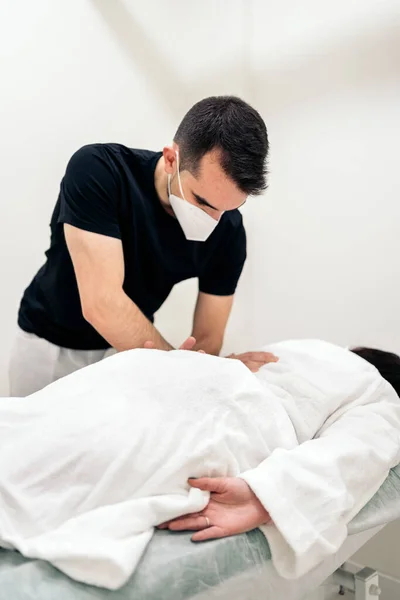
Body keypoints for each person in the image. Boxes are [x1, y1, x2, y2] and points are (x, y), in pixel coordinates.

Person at [1, 339, 399, 589]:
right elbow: (355, 456)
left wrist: (267, 495)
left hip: (167, 371)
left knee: (44, 423)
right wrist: (268, 496)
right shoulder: (380, 395)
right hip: (227, 411)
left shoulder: (311, 347)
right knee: (95, 459)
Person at [9, 96, 270, 397]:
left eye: (226, 209)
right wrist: (179, 368)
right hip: (49, 344)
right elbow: (102, 303)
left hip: (129, 353)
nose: (213, 219)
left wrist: (215, 371)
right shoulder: (99, 171)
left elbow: (208, 338)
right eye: (202, 202)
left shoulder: (229, 231)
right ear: (172, 158)